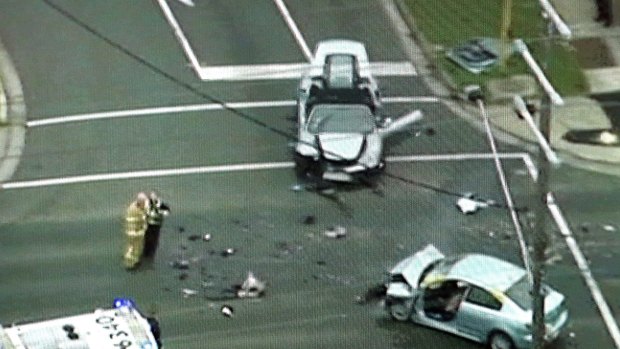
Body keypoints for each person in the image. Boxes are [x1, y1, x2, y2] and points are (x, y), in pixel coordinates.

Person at [123, 193, 150, 269]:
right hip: (134, 233)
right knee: (132, 247)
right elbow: (131, 230)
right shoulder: (132, 212)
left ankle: (136, 259)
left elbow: (146, 209)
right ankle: (130, 264)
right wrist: (141, 232)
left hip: (139, 230)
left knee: (138, 247)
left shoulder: (142, 206)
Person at [142, 192, 170, 258]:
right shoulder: (147, 203)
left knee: (154, 240)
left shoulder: (160, 205)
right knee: (147, 239)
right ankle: (146, 253)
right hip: (148, 225)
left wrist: (159, 213)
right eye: (151, 198)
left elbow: (167, 211)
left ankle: (151, 253)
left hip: (156, 225)